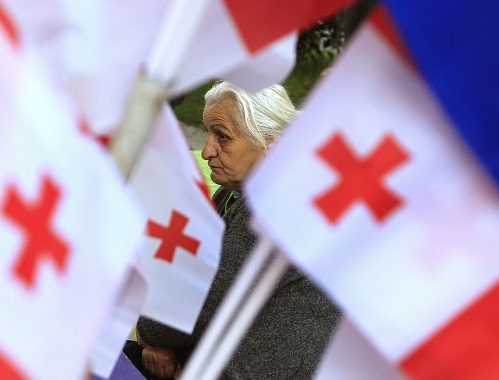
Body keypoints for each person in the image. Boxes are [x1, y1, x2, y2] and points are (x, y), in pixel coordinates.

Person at [126, 81, 340, 379]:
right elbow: (193, 275)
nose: (208, 150)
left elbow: (209, 300)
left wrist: (151, 334)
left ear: (272, 145)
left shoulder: (276, 204)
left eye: (222, 136)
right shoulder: (234, 193)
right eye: (208, 132)